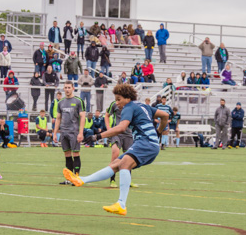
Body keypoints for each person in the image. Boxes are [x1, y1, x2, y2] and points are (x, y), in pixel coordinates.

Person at [64, 84, 169, 215]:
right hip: (146, 143)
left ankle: (121, 203)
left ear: (127, 97)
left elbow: (121, 128)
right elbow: (165, 116)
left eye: (119, 99)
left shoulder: (128, 107)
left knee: (124, 163)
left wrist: (98, 136)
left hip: (145, 143)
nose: (117, 103)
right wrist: (158, 132)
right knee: (115, 164)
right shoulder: (143, 106)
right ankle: (82, 180)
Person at [53, 81, 86, 184]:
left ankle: (76, 177)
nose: (67, 89)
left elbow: (83, 117)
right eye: (65, 87)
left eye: (69, 87)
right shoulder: (60, 102)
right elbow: (58, 118)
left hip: (74, 132)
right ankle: (69, 179)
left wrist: (81, 133)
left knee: (76, 153)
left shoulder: (78, 101)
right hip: (63, 132)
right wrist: (55, 133)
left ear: (73, 88)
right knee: (67, 154)